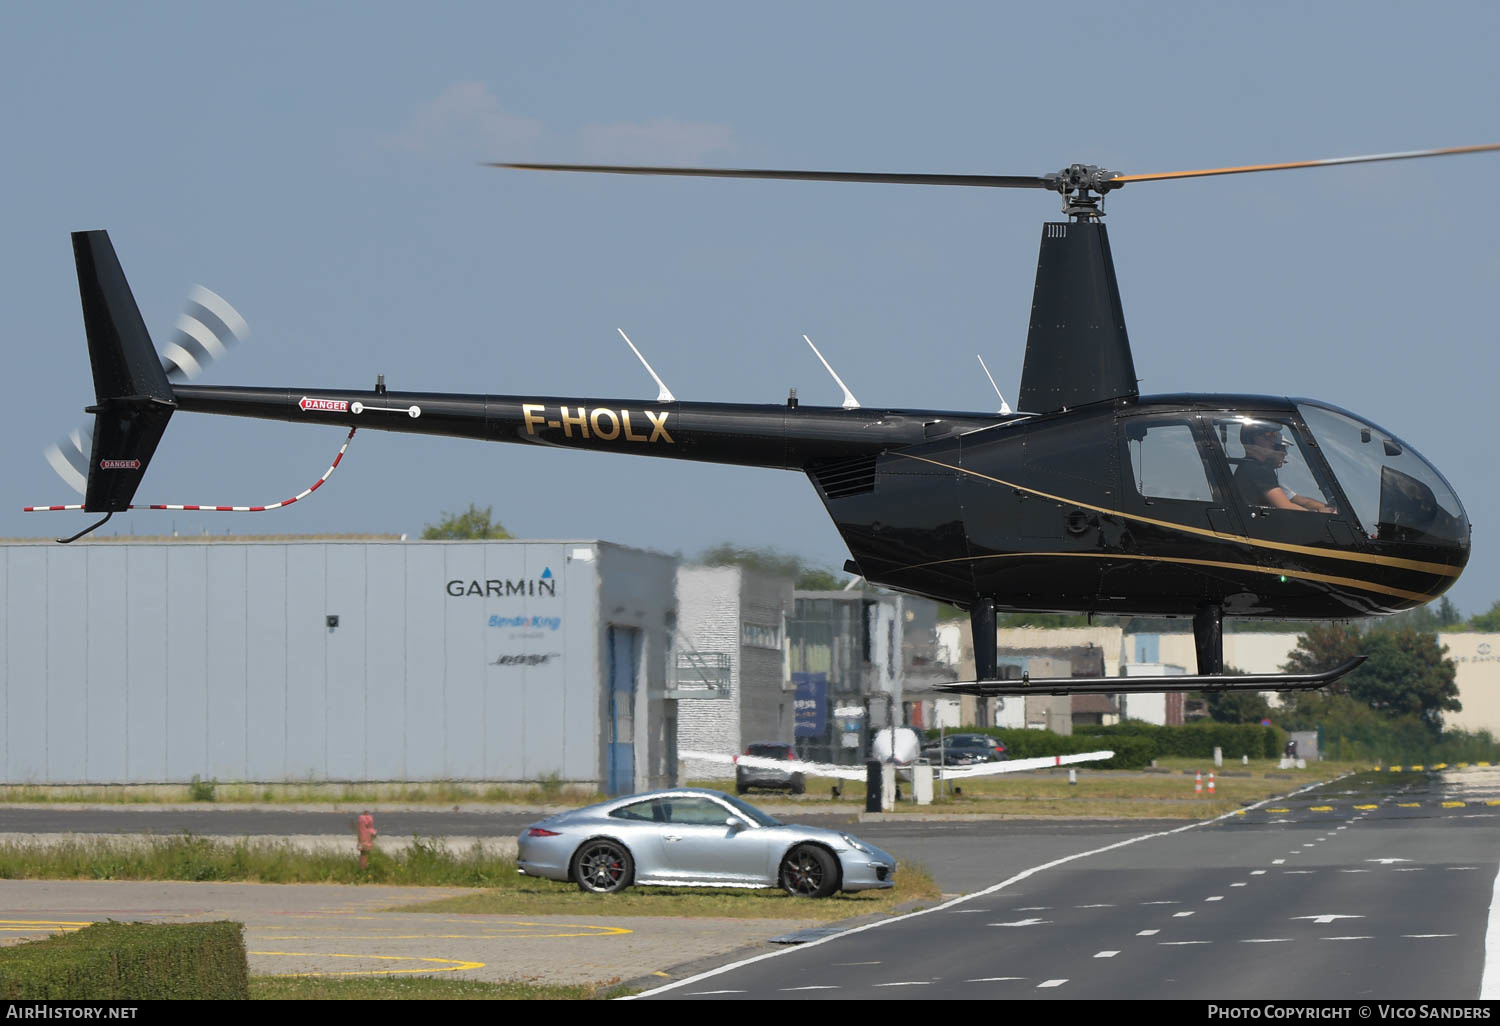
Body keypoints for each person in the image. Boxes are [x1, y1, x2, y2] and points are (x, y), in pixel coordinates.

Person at [1234, 424, 1336, 513]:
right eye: (1269, 436)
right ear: (1253, 438)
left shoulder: (1247, 466)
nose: (1273, 442)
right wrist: (1319, 514)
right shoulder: (1258, 469)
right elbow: (1286, 507)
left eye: (1274, 436)